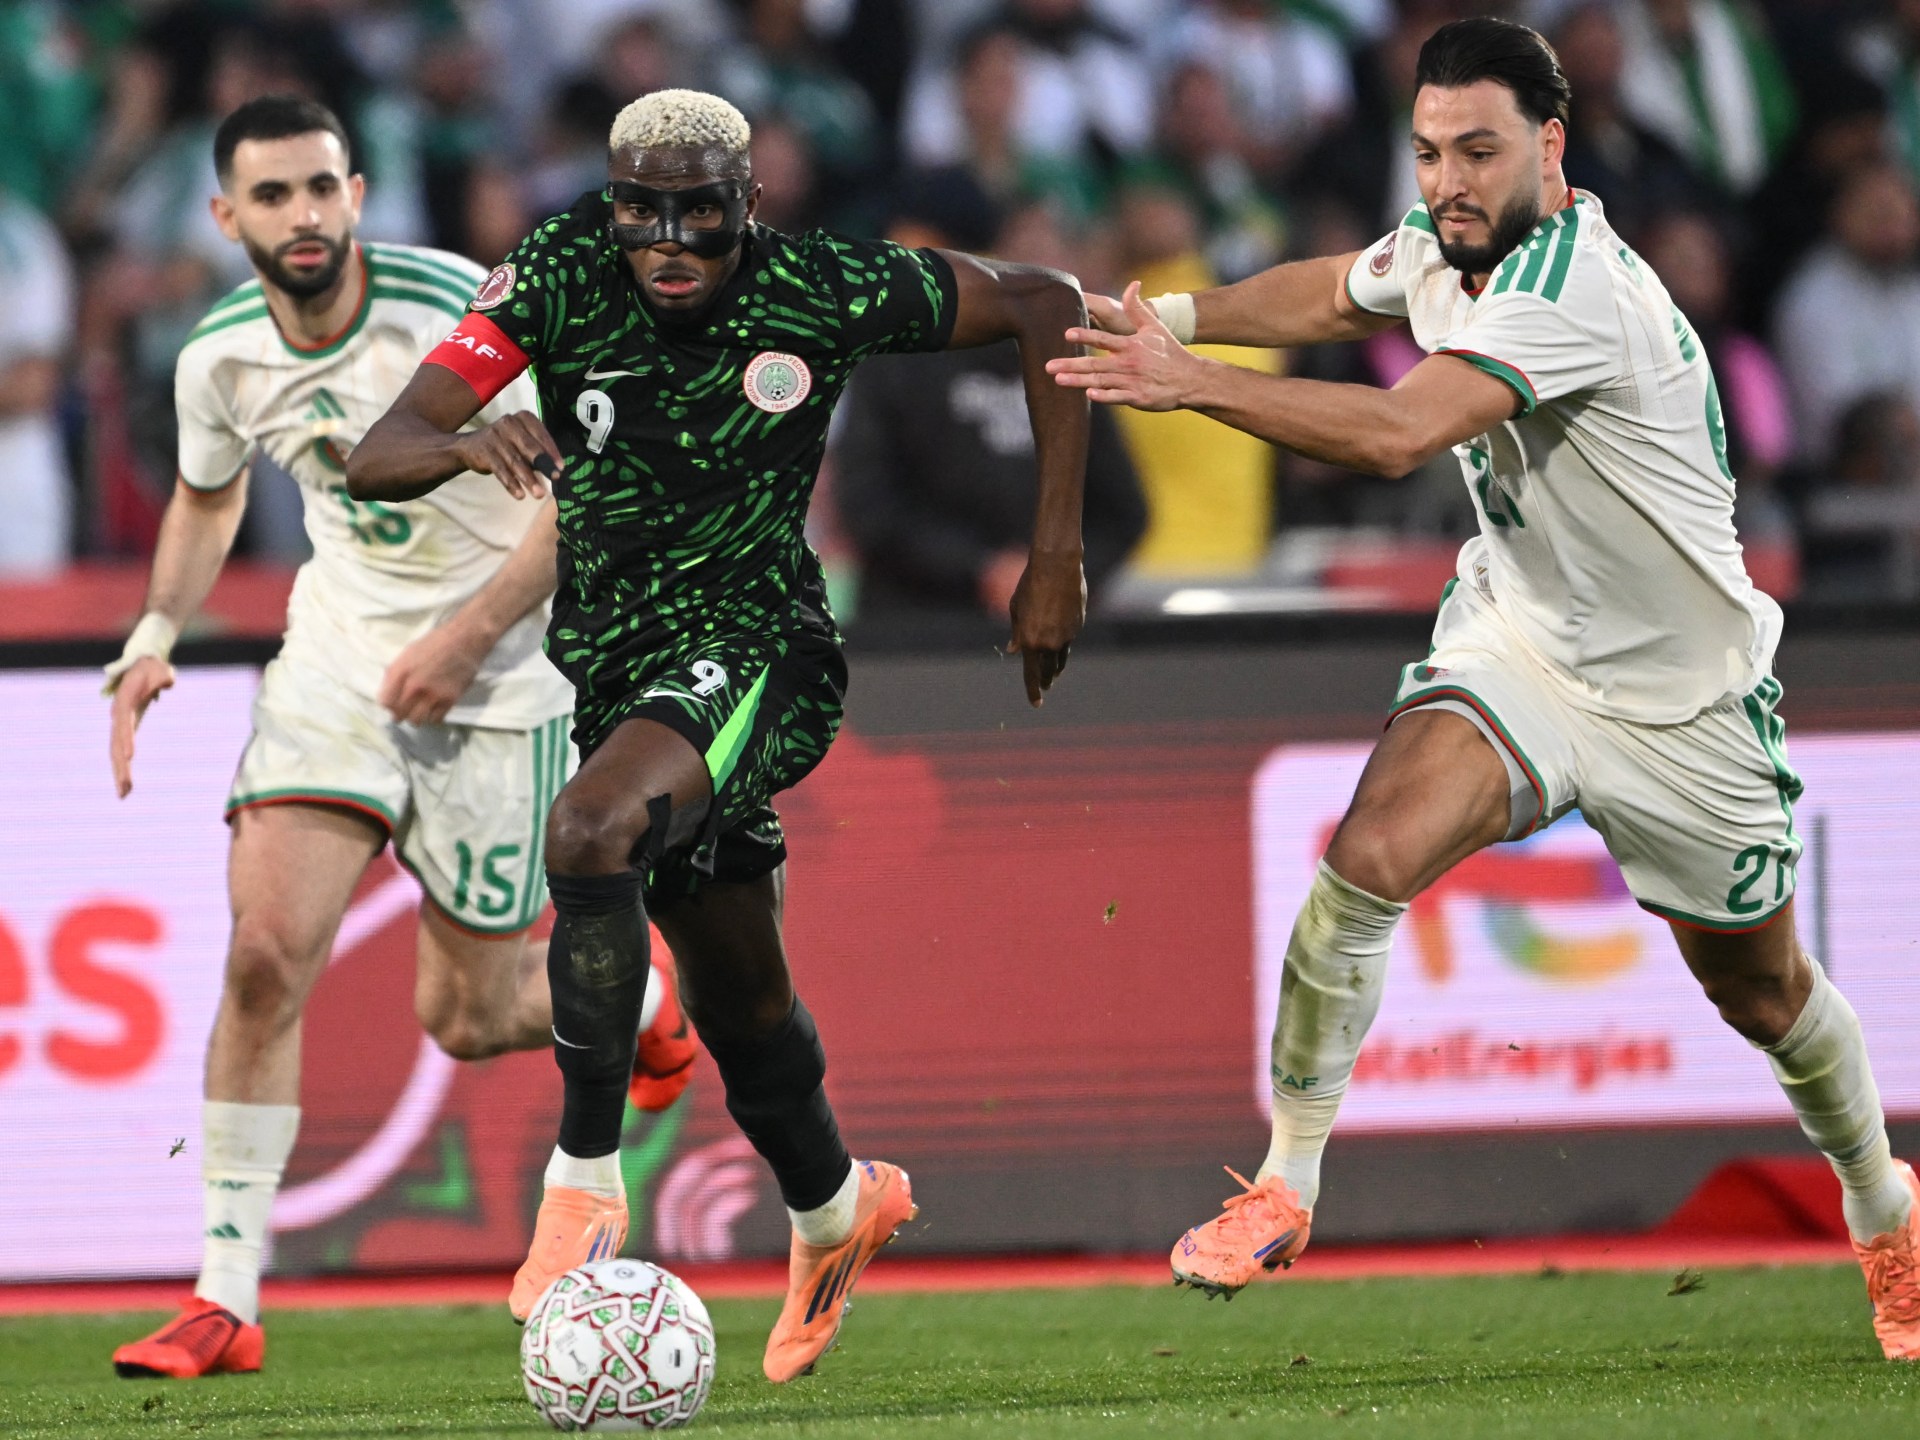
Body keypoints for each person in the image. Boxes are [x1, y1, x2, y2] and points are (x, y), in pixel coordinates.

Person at [1049, 17, 1919, 1362]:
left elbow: (1402, 432)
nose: (1448, 182)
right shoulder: (1450, 242)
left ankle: (1882, 1208)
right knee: (1366, 857)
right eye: (1428, 152)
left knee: (1764, 994)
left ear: (1552, 146)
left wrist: (1189, 381)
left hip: (1681, 703)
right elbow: (1341, 292)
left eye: (1478, 152)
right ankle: (1287, 1181)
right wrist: (1173, 314)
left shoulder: (1578, 287)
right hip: (1524, 648)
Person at [346, 89, 1088, 1381]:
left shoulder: (823, 287)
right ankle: (838, 1209)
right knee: (741, 1005)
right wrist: (468, 446)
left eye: (700, 212)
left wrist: (1055, 554)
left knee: (588, 831)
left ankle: (582, 1184)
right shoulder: (561, 268)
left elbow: (1046, 302)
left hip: (760, 646)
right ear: (613, 206)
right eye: (643, 211)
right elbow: (381, 449)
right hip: (620, 671)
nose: (670, 240)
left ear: (751, 203)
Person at [103, 96, 694, 1381]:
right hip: (336, 668)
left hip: (501, 681)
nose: (303, 215)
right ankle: (224, 1298)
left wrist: (469, 639)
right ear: (225, 217)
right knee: (264, 955)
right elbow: (205, 499)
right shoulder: (218, 356)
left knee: (469, 1017)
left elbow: (582, 494)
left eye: (322, 187)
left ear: (358, 194)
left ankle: (648, 997)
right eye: (272, 196)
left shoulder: (459, 314)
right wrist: (154, 630)